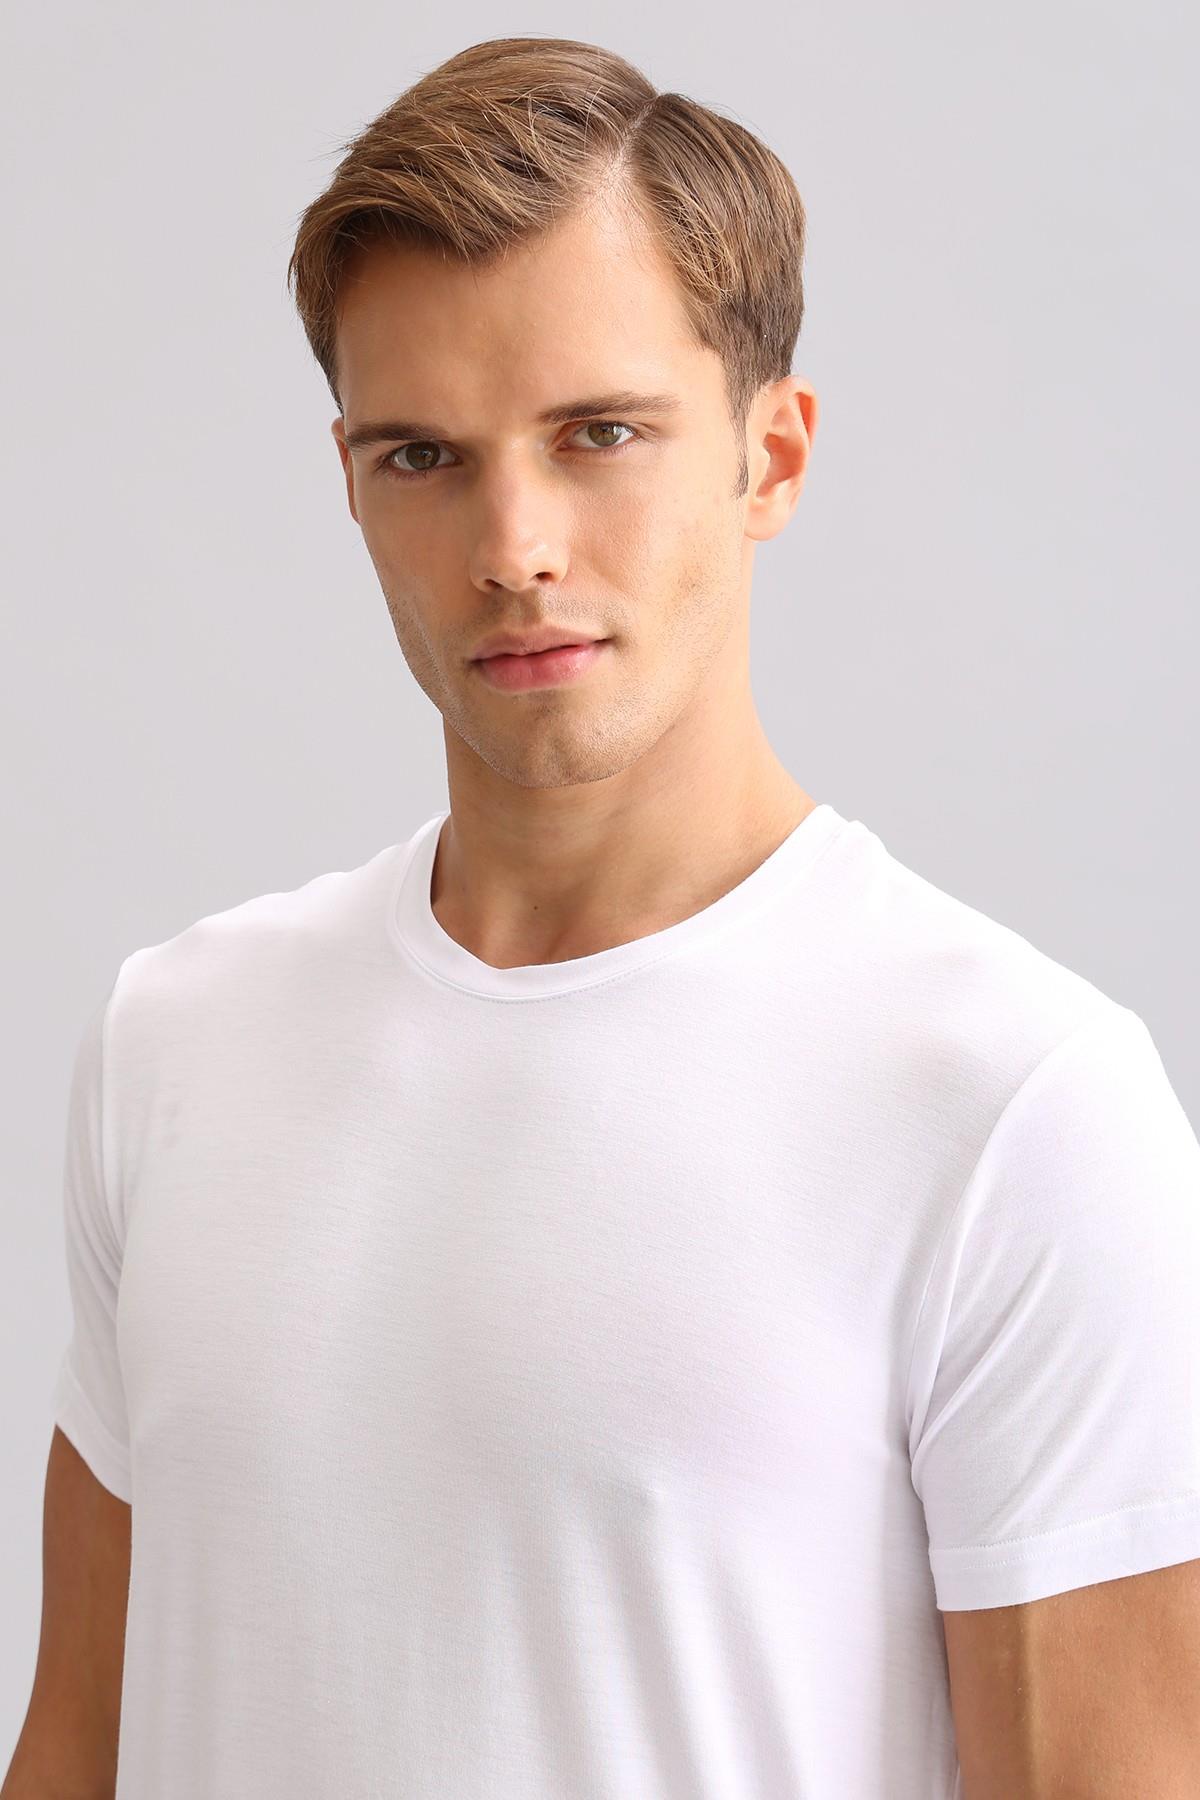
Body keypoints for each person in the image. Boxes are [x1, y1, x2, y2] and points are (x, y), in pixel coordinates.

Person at [10, 34, 1200, 1800]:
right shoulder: (179, 1043)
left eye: (601, 435)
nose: (514, 544)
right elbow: (77, 1749)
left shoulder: (1015, 1108)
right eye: (424, 455)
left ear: (770, 457)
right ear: (349, 481)